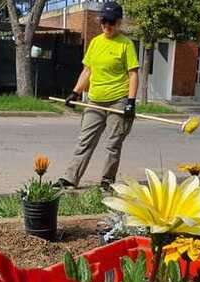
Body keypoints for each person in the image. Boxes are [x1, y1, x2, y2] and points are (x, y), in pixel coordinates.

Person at [56, 1, 139, 191]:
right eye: (104, 21)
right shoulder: (95, 42)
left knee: (113, 144)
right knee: (85, 140)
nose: (107, 26)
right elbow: (87, 71)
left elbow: (133, 74)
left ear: (119, 22)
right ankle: (70, 178)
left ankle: (107, 181)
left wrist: (131, 102)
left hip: (118, 100)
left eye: (111, 22)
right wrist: (75, 92)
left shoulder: (125, 44)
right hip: (95, 100)